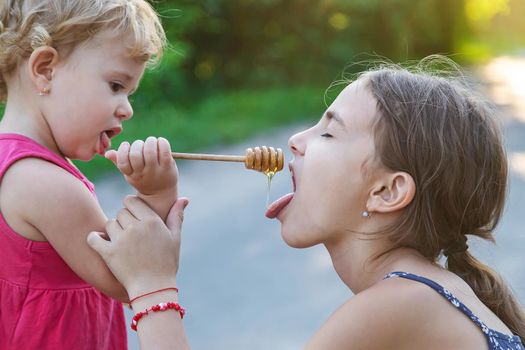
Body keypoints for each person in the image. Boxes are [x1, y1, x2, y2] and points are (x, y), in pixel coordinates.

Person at [88, 57, 525, 350]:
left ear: (387, 191)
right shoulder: (424, 295)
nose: (296, 141)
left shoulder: (403, 303)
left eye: (329, 132)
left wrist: (152, 285)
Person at [0, 1, 178, 349]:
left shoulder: (13, 163)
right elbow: (134, 277)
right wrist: (159, 195)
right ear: (46, 70)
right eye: (115, 85)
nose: (127, 109)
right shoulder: (48, 186)